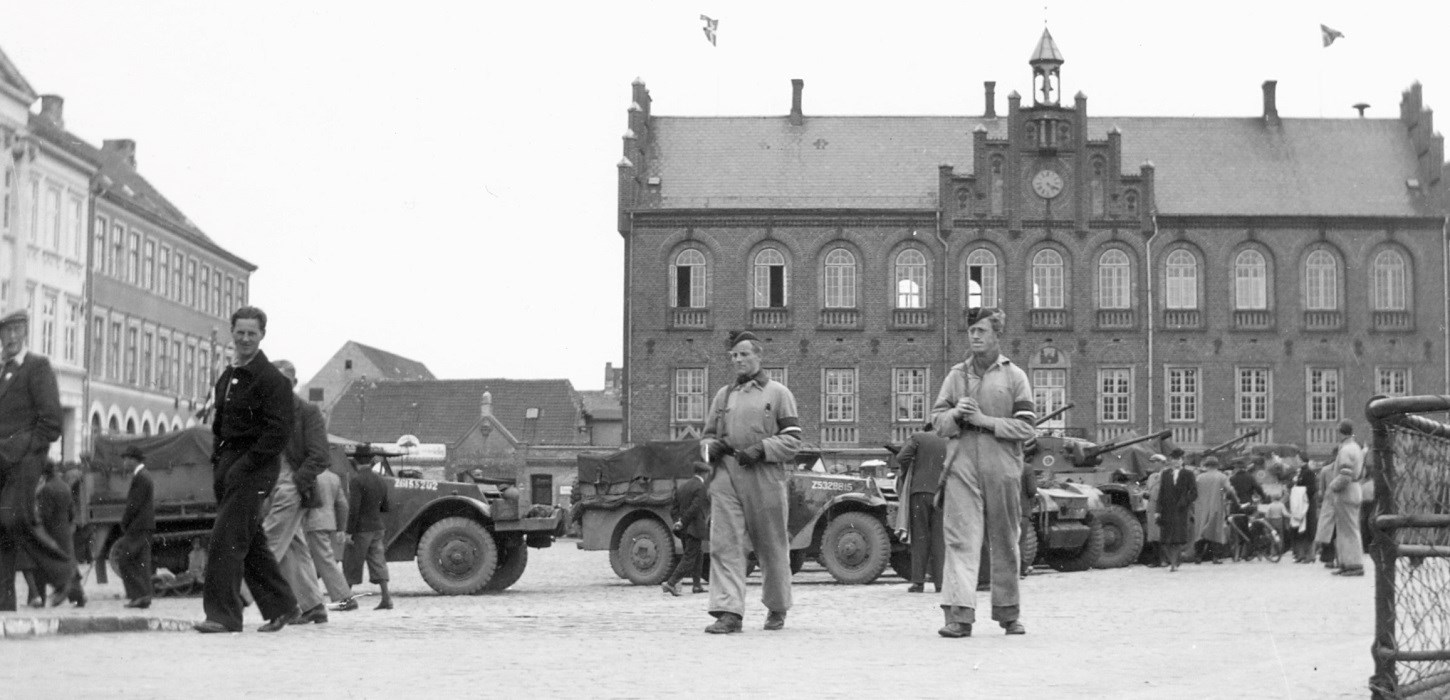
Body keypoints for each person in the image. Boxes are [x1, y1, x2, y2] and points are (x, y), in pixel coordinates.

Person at [929, 307, 1036, 638]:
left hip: (1002, 466)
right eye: (971, 330)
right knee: (961, 540)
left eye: (982, 330)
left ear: (996, 334)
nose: (975, 336)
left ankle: (1008, 613)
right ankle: (959, 616)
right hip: (962, 464)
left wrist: (984, 421)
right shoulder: (955, 376)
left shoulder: (1014, 376)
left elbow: (1027, 428)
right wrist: (956, 416)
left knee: (1004, 539)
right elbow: (937, 422)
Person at [195, 306, 300, 634]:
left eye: (251, 333)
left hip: (254, 470)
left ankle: (223, 616)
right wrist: (220, 463)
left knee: (225, 539)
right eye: (239, 332)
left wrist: (244, 467)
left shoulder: (273, 381)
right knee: (250, 541)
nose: (244, 339)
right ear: (232, 332)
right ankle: (284, 607)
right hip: (229, 468)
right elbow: (220, 424)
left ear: (262, 335)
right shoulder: (229, 376)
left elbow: (278, 433)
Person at [699, 330, 802, 634]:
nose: (739, 359)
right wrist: (709, 448)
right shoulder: (723, 395)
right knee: (725, 544)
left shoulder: (778, 394)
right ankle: (728, 612)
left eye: (744, 354)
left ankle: (777, 606)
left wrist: (763, 449)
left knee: (771, 544)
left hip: (765, 476)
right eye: (734, 355)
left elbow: (793, 439)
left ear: (759, 356)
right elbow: (706, 436)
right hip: (727, 474)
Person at [0, 308, 79, 611]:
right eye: (6, 331)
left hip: (25, 458)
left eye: (17, 330)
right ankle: (4, 600)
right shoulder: (2, 370)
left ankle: (65, 573)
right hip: (1, 462)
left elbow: (51, 424)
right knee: (1, 526)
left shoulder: (37, 367)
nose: (11, 337)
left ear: (26, 332)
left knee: (14, 517)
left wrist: (19, 448)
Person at [262, 360, 329, 625]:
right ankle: (313, 606)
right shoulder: (266, 414)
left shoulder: (308, 412)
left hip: (291, 486)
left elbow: (320, 455)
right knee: (293, 548)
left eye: (284, 382)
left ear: (294, 383)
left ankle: (232, 603)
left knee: (266, 543)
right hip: (272, 486)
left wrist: (298, 482)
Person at [894, 425, 946, 593]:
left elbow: (901, 458)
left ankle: (918, 582)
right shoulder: (949, 440)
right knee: (939, 539)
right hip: (941, 493)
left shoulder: (918, 437)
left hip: (919, 492)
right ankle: (940, 584)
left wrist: (914, 464)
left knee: (920, 537)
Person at [345, 445, 392, 610]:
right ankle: (386, 598)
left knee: (352, 562)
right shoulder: (380, 480)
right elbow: (385, 507)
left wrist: (348, 532)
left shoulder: (356, 480)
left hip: (361, 529)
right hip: (378, 526)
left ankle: (346, 600)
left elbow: (354, 509)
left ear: (355, 461)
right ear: (372, 461)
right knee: (378, 561)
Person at [112, 445, 155, 608]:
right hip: (144, 525)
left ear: (132, 460)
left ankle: (139, 596)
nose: (124, 463)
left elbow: (133, 505)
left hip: (138, 525)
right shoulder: (144, 476)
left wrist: (124, 522)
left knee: (125, 559)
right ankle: (144, 596)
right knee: (141, 561)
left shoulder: (141, 477)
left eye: (125, 459)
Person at [306, 466, 354, 611]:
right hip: (328, 522)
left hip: (312, 523)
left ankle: (344, 597)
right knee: (316, 561)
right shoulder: (334, 477)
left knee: (324, 560)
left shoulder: (310, 475)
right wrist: (341, 528)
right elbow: (343, 505)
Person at [36, 462, 84, 606]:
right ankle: (79, 597)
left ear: (44, 474)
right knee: (70, 564)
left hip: (52, 532)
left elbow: (46, 515)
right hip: (65, 531)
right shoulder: (64, 486)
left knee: (41, 564)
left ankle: (41, 598)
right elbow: (71, 511)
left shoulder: (47, 489)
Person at [1324, 420, 1366, 577]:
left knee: (1348, 530)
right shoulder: (1356, 447)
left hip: (1346, 492)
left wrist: (1332, 487)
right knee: (1347, 530)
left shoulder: (1346, 450)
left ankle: (1354, 564)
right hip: (1355, 490)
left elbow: (1345, 475)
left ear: (1341, 432)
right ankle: (1346, 562)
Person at [662, 461, 710, 597]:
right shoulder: (700, 487)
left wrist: (678, 521)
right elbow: (695, 508)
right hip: (693, 529)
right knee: (689, 558)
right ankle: (671, 583)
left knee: (698, 555)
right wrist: (683, 522)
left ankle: (696, 585)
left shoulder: (683, 486)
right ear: (703, 473)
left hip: (683, 530)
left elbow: (674, 509)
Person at [1156, 450, 1198, 571]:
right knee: (1165, 540)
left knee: (1178, 539)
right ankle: (1174, 559)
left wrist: (1185, 501)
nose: (1176, 462)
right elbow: (1161, 493)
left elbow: (1194, 493)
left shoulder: (1188, 474)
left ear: (1182, 460)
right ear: (1170, 461)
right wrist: (1158, 511)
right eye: (1174, 459)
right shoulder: (1165, 474)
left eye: (1178, 459)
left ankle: (1174, 564)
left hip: (1181, 510)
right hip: (1167, 510)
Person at [1191, 456, 1230, 564]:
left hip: (1201, 508)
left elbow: (1193, 492)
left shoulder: (1199, 477)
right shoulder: (1222, 477)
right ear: (1217, 465)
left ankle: (1198, 557)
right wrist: (1222, 492)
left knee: (1200, 532)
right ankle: (1215, 557)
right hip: (1216, 507)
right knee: (1215, 531)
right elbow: (1228, 490)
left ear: (1206, 466)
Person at [1288, 447, 1318, 563]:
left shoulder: (1309, 472)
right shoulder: (1299, 472)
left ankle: (1309, 555)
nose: (1295, 461)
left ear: (1301, 460)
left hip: (1307, 505)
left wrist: (1299, 490)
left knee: (1307, 529)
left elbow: (1312, 488)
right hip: (1299, 505)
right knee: (1299, 529)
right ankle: (1301, 554)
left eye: (1297, 459)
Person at [1141, 453, 1167, 567]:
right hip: (1151, 507)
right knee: (1152, 535)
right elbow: (1147, 490)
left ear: (1162, 463)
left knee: (1162, 534)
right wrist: (1145, 494)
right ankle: (1156, 560)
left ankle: (1164, 560)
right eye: (1152, 462)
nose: (1153, 465)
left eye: (1155, 462)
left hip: (1162, 507)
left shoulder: (1167, 475)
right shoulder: (1151, 477)